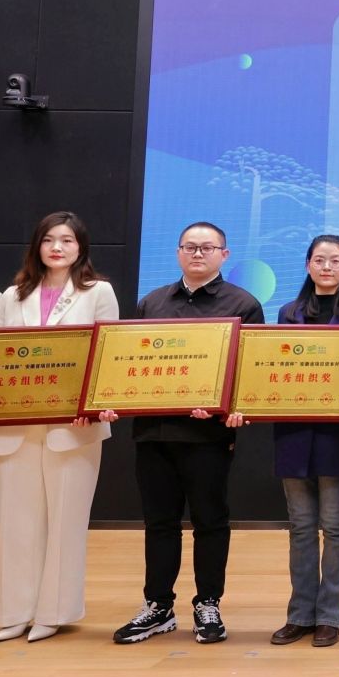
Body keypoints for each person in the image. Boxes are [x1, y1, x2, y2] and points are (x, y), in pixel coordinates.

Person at [0, 212, 120, 643]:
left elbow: (107, 353)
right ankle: (15, 612)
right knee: (17, 522)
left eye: (67, 240)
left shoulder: (98, 291)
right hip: (17, 423)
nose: (57, 247)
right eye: (49, 239)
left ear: (80, 248)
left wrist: (93, 406)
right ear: (37, 246)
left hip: (74, 424)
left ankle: (54, 612)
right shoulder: (12, 295)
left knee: (66, 521)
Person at [111, 222, 263, 646]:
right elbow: (130, 363)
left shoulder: (243, 304)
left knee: (210, 521)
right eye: (190, 247)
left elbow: (249, 369)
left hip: (207, 435)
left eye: (207, 247)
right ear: (178, 252)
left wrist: (224, 406)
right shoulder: (152, 302)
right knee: (159, 522)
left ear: (224, 255)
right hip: (154, 432)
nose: (198, 254)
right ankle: (158, 606)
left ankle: (207, 603)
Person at [262, 235, 339, 649]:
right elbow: (273, 368)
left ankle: (330, 616)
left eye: (335, 260)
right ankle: (300, 615)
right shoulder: (288, 312)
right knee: (301, 527)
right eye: (319, 259)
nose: (327, 267)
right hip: (294, 431)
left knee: (336, 526)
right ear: (308, 265)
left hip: (337, 432)